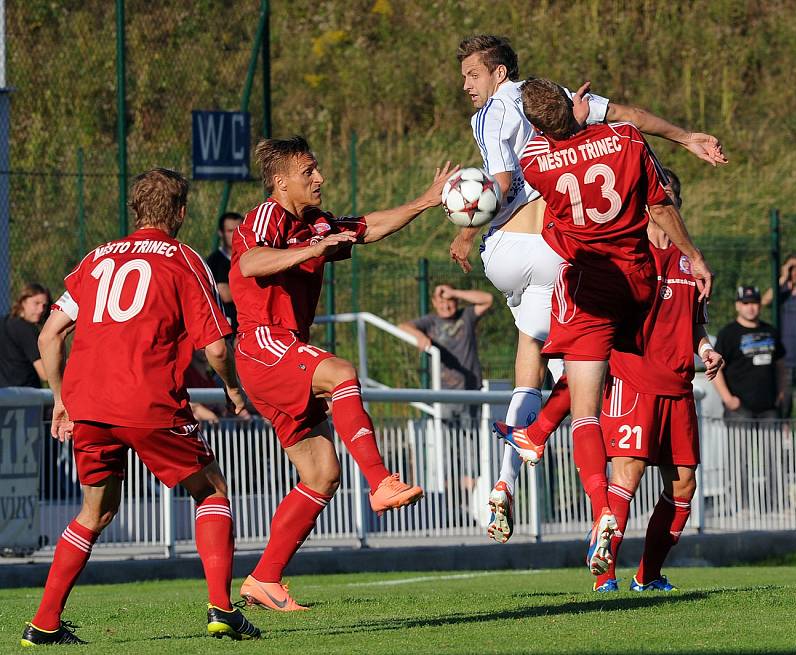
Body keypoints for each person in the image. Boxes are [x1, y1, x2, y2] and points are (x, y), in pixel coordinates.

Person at [451, 35, 727, 545]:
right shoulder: (619, 138)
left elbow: (505, 181)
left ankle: (518, 462)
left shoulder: (528, 149)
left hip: (538, 263)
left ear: (500, 75)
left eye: (472, 74)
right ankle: (541, 450)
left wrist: (466, 228)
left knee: (543, 358)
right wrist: (687, 138)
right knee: (583, 384)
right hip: (625, 280)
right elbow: (634, 123)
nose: (466, 84)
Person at [21, 169, 261, 645]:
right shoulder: (185, 259)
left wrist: (61, 402)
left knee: (96, 512)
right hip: (148, 402)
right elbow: (215, 349)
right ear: (181, 212)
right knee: (211, 491)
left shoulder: (96, 259)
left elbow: (49, 334)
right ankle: (222, 609)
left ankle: (44, 624)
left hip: (89, 405)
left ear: (135, 211)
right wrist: (233, 390)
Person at [497, 78, 712, 576]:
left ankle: (599, 510)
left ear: (536, 125)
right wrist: (693, 255)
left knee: (587, 414)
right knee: (629, 355)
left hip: (589, 286)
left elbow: (549, 153)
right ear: (575, 106)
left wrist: (566, 123)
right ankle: (539, 435)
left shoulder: (533, 158)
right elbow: (658, 204)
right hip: (635, 278)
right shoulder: (627, 139)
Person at [229, 136, 452, 611]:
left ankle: (264, 579)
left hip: (284, 352)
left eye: (318, 170)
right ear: (280, 180)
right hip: (264, 343)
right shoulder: (266, 217)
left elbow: (367, 227)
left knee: (322, 473)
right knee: (341, 371)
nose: (319, 179)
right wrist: (312, 252)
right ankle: (380, 482)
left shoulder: (317, 223)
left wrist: (425, 202)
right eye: (308, 171)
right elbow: (250, 263)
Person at [591, 169, 724, 592]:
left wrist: (705, 350)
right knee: (626, 478)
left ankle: (648, 575)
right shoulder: (627, 255)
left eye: (669, 199)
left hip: (679, 388)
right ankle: (604, 578)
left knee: (684, 484)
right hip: (633, 382)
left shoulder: (692, 262)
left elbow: (695, 324)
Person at [399, 284, 493, 419]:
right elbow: (403, 326)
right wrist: (419, 335)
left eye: (450, 301)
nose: (446, 306)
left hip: (470, 389)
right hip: (443, 391)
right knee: (445, 437)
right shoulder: (430, 322)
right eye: (442, 302)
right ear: (434, 303)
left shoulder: (466, 316)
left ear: (456, 301)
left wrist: (454, 292)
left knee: (470, 438)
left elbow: (488, 299)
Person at [712, 286, 785, 420]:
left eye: (754, 303)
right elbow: (716, 369)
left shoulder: (771, 332)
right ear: (737, 305)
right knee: (740, 442)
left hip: (769, 408)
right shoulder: (727, 334)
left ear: (760, 305)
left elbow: (780, 365)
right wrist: (728, 399)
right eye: (745, 303)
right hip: (739, 410)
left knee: (772, 442)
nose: (750, 307)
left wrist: (781, 393)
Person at [762, 253, 796, 417]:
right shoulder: (781, 291)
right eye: (792, 268)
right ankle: (784, 440)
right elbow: (765, 301)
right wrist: (783, 277)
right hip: (784, 358)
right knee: (784, 405)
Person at [0, 282, 50, 388]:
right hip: (28, 395)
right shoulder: (26, 329)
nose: (41, 309)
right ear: (23, 302)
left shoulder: (4, 323)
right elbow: (45, 374)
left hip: (4, 395)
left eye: (44, 305)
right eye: (36, 303)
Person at [207, 211, 244, 332]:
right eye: (230, 231)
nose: (235, 234)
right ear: (221, 233)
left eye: (238, 230)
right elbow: (225, 293)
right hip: (226, 326)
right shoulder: (214, 261)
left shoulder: (251, 257)